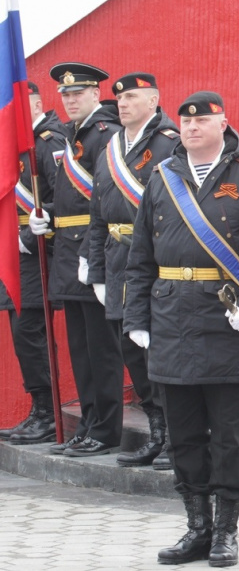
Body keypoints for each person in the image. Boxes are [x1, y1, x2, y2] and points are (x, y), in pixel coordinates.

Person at [123, 91, 239, 567]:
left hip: (225, 320)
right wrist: (137, 318)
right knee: (184, 433)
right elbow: (140, 258)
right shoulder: (162, 178)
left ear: (223, 124)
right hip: (171, 318)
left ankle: (226, 532)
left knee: (229, 434)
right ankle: (196, 526)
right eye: (186, 121)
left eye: (204, 120)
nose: (192, 127)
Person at [29, 62, 125, 457]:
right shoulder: (72, 134)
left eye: (78, 94)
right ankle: (89, 423)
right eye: (65, 95)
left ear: (95, 95)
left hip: (93, 250)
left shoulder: (105, 134)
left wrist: (91, 253)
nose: (70, 101)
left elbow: (107, 199)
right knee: (81, 350)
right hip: (69, 252)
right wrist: (48, 215)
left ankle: (105, 429)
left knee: (101, 349)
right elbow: (69, 197)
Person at [84, 73, 179, 468]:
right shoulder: (110, 148)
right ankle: (157, 432)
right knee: (131, 350)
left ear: (154, 100)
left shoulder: (169, 144)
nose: (122, 103)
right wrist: (96, 269)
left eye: (132, 96)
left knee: (159, 351)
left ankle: (178, 437)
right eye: (119, 98)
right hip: (118, 260)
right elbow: (97, 212)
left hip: (155, 262)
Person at [0, 82, 65, 444]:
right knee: (22, 334)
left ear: (38, 104)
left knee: (30, 333)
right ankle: (39, 409)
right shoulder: (15, 145)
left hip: (38, 251)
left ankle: (48, 413)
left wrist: (27, 238)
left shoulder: (49, 142)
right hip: (13, 252)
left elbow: (66, 199)